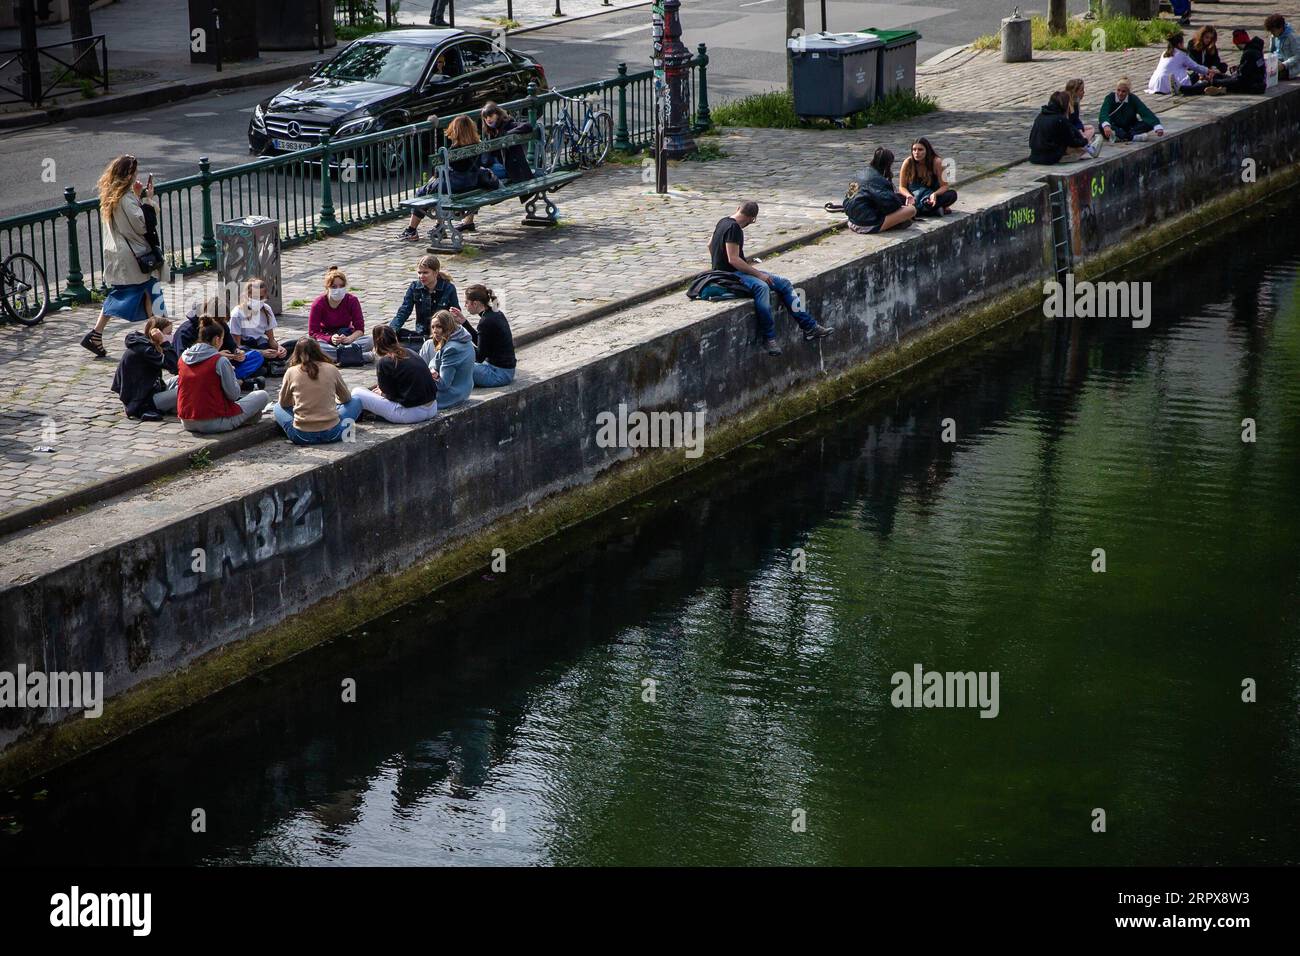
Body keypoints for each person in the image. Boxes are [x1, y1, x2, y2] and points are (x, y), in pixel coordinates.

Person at [709, 200, 832, 356]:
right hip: (732, 275)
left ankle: (809, 326)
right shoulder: (735, 229)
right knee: (763, 288)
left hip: (724, 271)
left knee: (784, 283)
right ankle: (769, 338)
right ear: (753, 219)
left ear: (738, 208)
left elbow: (710, 245)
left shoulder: (723, 221)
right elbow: (733, 259)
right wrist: (759, 275)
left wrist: (717, 262)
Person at [80, 155, 168, 358]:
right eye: (135, 173)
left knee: (146, 293)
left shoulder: (113, 195)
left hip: (122, 255)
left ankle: (157, 336)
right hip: (133, 256)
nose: (137, 176)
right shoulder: (125, 199)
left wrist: (137, 196)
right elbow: (142, 225)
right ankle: (161, 338)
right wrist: (148, 199)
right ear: (129, 174)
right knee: (133, 294)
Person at [402, 114, 499, 240]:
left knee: (423, 192)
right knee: (441, 194)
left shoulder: (452, 150)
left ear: (456, 130)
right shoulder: (478, 145)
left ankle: (412, 230)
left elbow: (441, 171)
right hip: (472, 183)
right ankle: (439, 227)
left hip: (456, 185)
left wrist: (434, 178)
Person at [176, 319, 270, 434]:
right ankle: (243, 419)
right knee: (262, 395)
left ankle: (246, 418)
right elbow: (233, 395)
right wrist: (232, 376)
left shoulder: (183, 358)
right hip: (214, 421)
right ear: (217, 339)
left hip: (186, 421)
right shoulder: (219, 361)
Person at [274, 338, 363, 445]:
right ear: (318, 350)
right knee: (356, 401)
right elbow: (346, 398)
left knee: (277, 407)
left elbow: (284, 403)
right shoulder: (331, 368)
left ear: (296, 353)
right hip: (333, 433)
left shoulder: (291, 371)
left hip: (301, 436)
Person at [349, 326, 439, 424]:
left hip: (412, 413)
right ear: (395, 338)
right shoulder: (411, 352)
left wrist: (381, 392)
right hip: (432, 408)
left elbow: (387, 393)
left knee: (357, 392)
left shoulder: (385, 362)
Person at [111, 314, 178, 422]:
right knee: (186, 390)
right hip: (143, 401)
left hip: (151, 390)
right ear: (157, 334)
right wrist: (164, 343)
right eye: (168, 333)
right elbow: (174, 366)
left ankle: (174, 406)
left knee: (185, 379)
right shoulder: (146, 350)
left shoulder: (144, 344)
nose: (171, 336)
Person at [309, 267, 373, 363]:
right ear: (327, 288)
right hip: (327, 339)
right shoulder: (318, 304)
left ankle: (337, 357)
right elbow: (313, 333)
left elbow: (360, 329)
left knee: (369, 341)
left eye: (341, 286)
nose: (338, 290)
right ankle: (359, 356)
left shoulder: (352, 300)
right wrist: (330, 338)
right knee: (314, 346)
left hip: (347, 336)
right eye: (334, 287)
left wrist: (349, 338)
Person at [457, 283, 516, 387]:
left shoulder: (486, 322)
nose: (465, 306)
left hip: (498, 374)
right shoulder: (495, 313)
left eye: (467, 303)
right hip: (504, 370)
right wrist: (464, 322)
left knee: (456, 366)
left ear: (475, 304)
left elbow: (479, 356)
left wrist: (462, 345)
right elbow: (482, 344)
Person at [844, 148, 918, 231]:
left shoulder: (860, 174)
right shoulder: (880, 181)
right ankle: (891, 224)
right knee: (911, 210)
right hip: (866, 225)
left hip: (851, 221)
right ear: (887, 165)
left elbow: (848, 199)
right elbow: (891, 206)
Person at [388, 255, 459, 340]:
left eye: (425, 273)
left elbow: (455, 315)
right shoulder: (414, 287)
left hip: (442, 334)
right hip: (421, 334)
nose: (421, 276)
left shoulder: (449, 288)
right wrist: (392, 330)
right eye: (419, 273)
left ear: (435, 272)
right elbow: (404, 311)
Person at [420, 309, 476, 408]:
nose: (434, 331)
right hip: (464, 389)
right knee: (428, 344)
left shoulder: (451, 349)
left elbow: (443, 385)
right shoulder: (462, 336)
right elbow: (435, 361)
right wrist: (432, 370)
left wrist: (432, 375)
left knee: (410, 393)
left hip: (451, 396)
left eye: (439, 327)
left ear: (447, 327)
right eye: (433, 327)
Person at [229, 278, 288, 370]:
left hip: (262, 344)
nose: (258, 301)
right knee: (256, 359)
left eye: (261, 298)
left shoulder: (267, 309)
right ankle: (269, 365)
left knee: (295, 345)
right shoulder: (237, 314)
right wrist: (261, 352)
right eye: (254, 297)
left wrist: (279, 348)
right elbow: (237, 346)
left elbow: (271, 340)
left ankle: (272, 363)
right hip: (247, 349)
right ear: (247, 295)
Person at [1030, 91, 1100, 164]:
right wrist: (1084, 141)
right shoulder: (1060, 120)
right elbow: (1072, 141)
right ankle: (1091, 149)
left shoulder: (1041, 116)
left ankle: (1089, 148)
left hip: (1035, 156)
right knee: (1075, 146)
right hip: (1049, 157)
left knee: (1084, 132)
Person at [897, 139, 957, 218]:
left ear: (927, 151)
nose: (916, 152)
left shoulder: (937, 162)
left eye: (920, 149)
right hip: (913, 197)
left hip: (930, 199)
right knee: (895, 197)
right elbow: (902, 187)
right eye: (914, 150)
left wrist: (935, 194)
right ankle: (931, 211)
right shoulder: (908, 162)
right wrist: (908, 196)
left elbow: (944, 186)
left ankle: (917, 211)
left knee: (952, 194)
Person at [1148, 31, 1217, 95]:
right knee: (1198, 75)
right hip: (1168, 83)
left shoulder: (1164, 53)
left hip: (1154, 84)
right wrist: (1208, 71)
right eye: (1183, 43)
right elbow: (1195, 67)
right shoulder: (1182, 54)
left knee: (1192, 74)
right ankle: (1183, 88)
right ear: (1179, 44)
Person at [1099, 78, 1166, 142]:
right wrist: (1106, 126)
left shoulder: (1133, 98)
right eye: (1118, 90)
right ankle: (1131, 137)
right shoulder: (1110, 98)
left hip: (1130, 126)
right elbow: (1103, 113)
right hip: (1115, 126)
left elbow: (1145, 111)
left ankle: (1123, 137)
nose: (1120, 93)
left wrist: (1157, 126)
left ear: (1128, 92)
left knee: (1149, 123)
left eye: (1123, 91)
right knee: (1102, 126)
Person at [1266, 13, 1300, 80]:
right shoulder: (1274, 37)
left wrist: (1284, 65)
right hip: (1276, 63)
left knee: (1270, 76)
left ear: (1280, 28)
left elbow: (1298, 56)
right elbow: (1272, 52)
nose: (1271, 33)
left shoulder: (1292, 37)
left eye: (1273, 31)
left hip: (1289, 68)